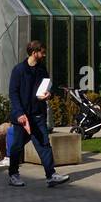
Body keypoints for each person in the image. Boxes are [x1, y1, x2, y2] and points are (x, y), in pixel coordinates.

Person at [7, 40, 70, 188]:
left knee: (44, 144)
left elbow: (48, 87)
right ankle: (13, 175)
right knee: (16, 146)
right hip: (22, 117)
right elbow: (13, 93)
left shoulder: (42, 70)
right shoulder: (18, 70)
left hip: (37, 115)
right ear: (34, 53)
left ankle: (51, 175)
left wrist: (49, 95)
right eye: (42, 52)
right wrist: (19, 113)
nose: (44, 54)